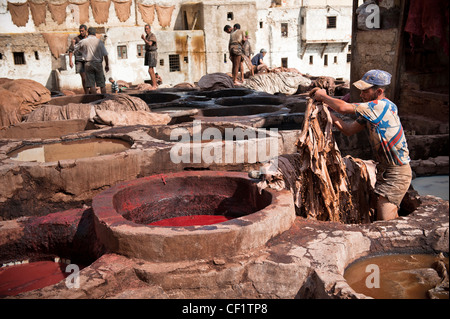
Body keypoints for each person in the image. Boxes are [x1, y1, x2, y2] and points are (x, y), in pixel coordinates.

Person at [311, 69, 412, 221]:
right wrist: (325, 112)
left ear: (378, 91)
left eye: (365, 91)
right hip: (385, 171)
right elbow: (348, 130)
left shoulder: (381, 106)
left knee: (385, 221)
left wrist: (322, 96)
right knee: (388, 215)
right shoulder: (371, 114)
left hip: (397, 173)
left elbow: (343, 107)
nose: (361, 95)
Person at [75, 27, 109, 94]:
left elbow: (75, 48)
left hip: (88, 64)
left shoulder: (84, 41)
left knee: (91, 85)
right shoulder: (99, 42)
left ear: (88, 33)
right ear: (95, 33)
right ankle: (104, 99)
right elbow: (105, 55)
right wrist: (107, 65)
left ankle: (94, 99)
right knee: (102, 85)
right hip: (98, 63)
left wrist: (82, 51)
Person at [68, 24, 88, 94]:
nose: (81, 32)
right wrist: (70, 61)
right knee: (83, 77)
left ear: (86, 30)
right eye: (80, 31)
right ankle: (86, 93)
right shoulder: (76, 39)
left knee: (89, 77)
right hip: (79, 61)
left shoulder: (89, 38)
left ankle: (91, 91)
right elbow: (71, 50)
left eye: (82, 31)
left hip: (88, 60)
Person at [141, 24, 158, 89]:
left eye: (147, 29)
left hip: (152, 53)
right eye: (145, 29)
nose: (146, 30)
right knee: (152, 70)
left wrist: (144, 39)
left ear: (150, 29)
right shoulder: (147, 36)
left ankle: (154, 85)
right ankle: (155, 84)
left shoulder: (152, 35)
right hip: (148, 53)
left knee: (150, 70)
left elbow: (150, 43)